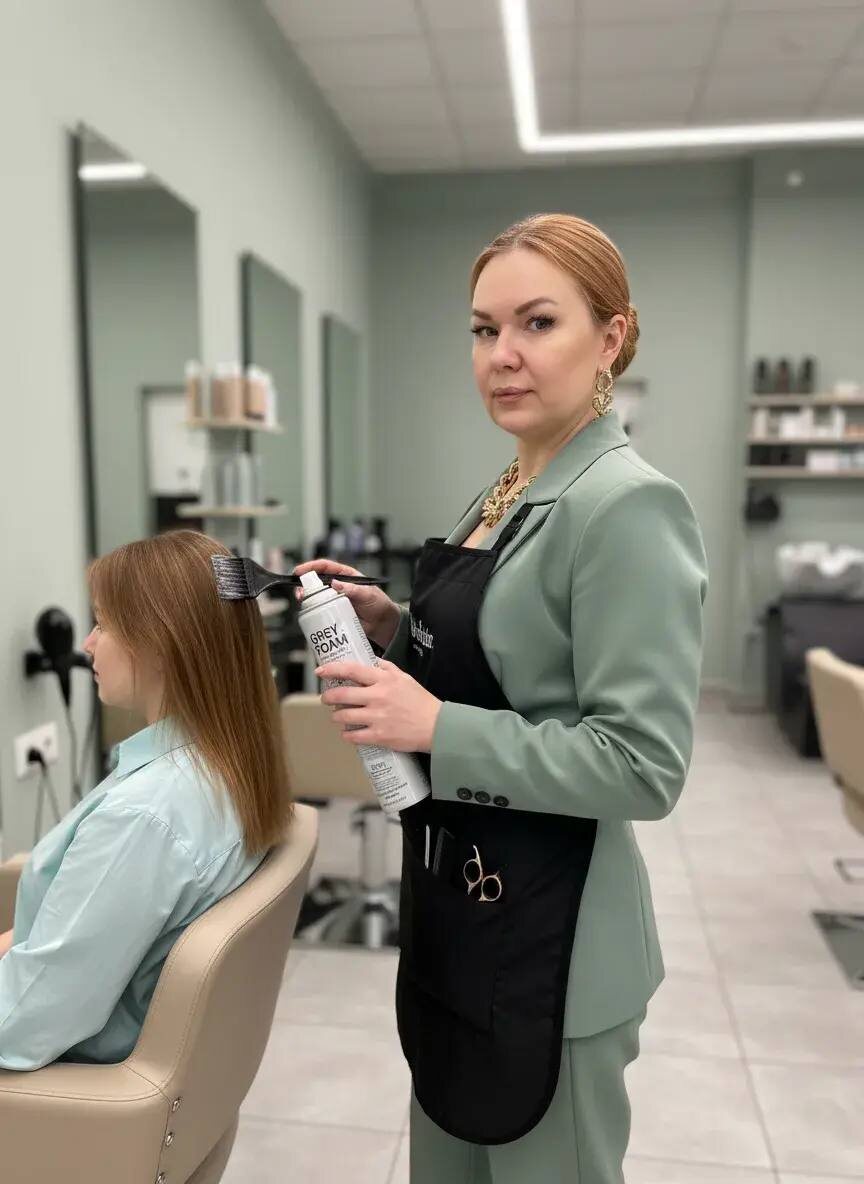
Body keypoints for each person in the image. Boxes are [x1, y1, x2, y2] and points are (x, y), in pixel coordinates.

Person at [296, 213, 708, 1183]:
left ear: (609, 338)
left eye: (538, 322)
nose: (502, 355)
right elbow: (514, 655)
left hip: (553, 949)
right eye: (484, 329)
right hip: (463, 916)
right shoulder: (509, 489)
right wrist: (394, 626)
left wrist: (436, 726)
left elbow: (642, 765)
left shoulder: (628, 506)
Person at [0, 530, 292, 1071]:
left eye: (103, 624)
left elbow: (21, 1024)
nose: (88, 643)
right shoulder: (228, 765)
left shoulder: (143, 818)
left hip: (60, 1074)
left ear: (158, 645)